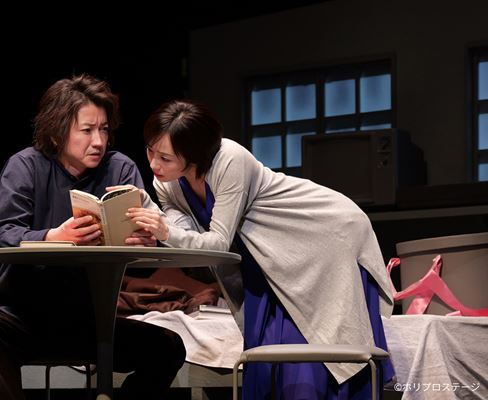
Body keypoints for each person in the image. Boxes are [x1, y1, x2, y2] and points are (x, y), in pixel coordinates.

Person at [127, 100, 395, 399]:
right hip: (264, 256)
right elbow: (186, 234)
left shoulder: (229, 160)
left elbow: (217, 243)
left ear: (195, 154)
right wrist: (148, 209)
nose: (154, 164)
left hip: (319, 236)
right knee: (266, 357)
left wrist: (163, 230)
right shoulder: (167, 182)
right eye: (150, 151)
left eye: (165, 157)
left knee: (312, 353)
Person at [0, 74, 186, 400]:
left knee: (168, 347)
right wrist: (54, 236)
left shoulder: (120, 169)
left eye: (104, 129)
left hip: (90, 321)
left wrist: (145, 241)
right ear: (57, 132)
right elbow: (2, 233)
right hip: (23, 316)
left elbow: (145, 257)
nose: (99, 141)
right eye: (87, 130)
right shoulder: (25, 166)